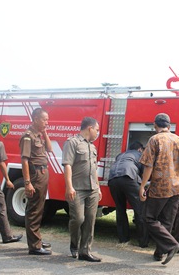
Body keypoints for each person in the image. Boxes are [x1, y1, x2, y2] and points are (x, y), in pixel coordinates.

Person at [139, 113, 179, 265]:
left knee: (148, 218)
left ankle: (172, 245)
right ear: (169, 125)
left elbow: (148, 165)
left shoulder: (154, 139)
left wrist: (142, 186)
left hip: (160, 187)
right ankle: (160, 253)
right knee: (167, 221)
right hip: (176, 187)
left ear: (155, 125)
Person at [62, 117, 102, 262]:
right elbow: (67, 165)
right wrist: (69, 186)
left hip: (92, 189)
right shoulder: (72, 143)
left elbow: (94, 169)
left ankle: (85, 251)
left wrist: (97, 188)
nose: (98, 133)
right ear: (90, 128)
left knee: (90, 220)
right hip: (77, 188)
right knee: (78, 219)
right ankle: (74, 245)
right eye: (97, 130)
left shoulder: (92, 147)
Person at [20, 108, 53, 255]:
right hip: (35, 175)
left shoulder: (39, 135)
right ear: (35, 119)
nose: (47, 122)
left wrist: (44, 131)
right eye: (44, 120)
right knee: (33, 210)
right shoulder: (28, 137)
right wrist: (27, 183)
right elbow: (25, 160)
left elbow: (50, 149)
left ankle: (37, 239)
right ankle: (34, 246)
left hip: (42, 173)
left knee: (39, 209)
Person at [108, 141, 148, 248]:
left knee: (120, 209)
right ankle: (143, 242)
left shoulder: (121, 155)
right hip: (128, 177)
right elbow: (144, 172)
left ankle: (123, 239)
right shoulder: (140, 155)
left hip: (112, 179)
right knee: (140, 209)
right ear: (140, 149)